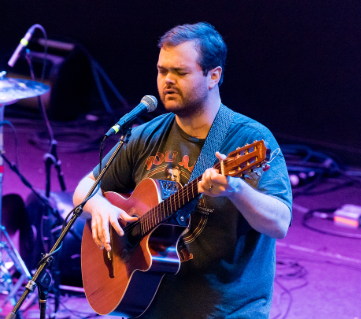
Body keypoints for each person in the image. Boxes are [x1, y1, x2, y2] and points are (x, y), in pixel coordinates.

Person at [73, 22, 292, 319]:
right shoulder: (147, 134)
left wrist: (237, 189)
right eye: (163, 71)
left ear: (214, 75)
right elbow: (84, 188)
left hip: (224, 311)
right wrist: (97, 205)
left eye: (180, 72)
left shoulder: (249, 139)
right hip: (148, 304)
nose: (167, 81)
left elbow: (279, 223)